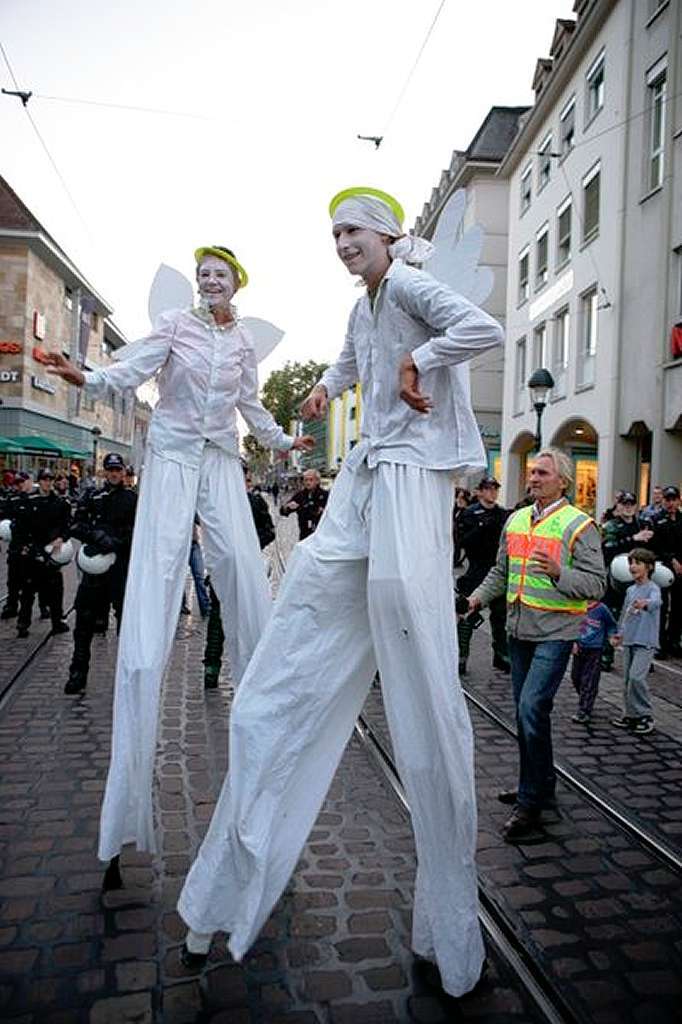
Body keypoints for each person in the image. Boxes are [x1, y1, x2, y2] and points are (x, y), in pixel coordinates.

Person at [177, 185, 503, 998]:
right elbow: (353, 358)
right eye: (333, 233)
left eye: (350, 230)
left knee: (417, 657)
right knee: (280, 671)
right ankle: (233, 874)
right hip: (365, 484)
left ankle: (450, 920)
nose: (340, 242)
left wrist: (419, 359)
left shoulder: (415, 286)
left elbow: (481, 328)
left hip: (409, 482)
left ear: (387, 234)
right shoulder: (366, 304)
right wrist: (325, 387)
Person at [45, 244, 313, 887]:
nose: (208, 283)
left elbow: (252, 410)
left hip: (220, 461)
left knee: (248, 585)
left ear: (236, 284)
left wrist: (284, 442)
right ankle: (122, 816)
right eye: (202, 277)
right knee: (150, 610)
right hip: (169, 460)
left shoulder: (245, 344)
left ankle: (269, 780)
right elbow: (130, 369)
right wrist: (84, 375)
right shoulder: (175, 328)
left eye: (218, 275)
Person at [468, 448, 606, 841]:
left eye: (542, 473)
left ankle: (530, 803)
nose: (534, 478)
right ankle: (539, 784)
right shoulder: (515, 519)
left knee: (532, 707)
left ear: (563, 480)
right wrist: (476, 598)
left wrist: (561, 573)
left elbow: (598, 584)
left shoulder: (580, 525)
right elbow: (501, 571)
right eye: (531, 472)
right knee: (525, 714)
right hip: (518, 631)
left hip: (556, 632)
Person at [65, 452, 138, 694]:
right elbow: (75, 525)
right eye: (110, 470)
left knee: (125, 624)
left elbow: (141, 533)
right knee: (83, 622)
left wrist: (117, 542)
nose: (114, 474)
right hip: (94, 569)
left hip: (119, 569)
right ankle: (78, 671)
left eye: (118, 470)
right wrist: (96, 536)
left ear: (123, 472)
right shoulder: (92, 496)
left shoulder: (132, 499)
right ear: (105, 471)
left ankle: (126, 675)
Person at [203, 467, 276, 689]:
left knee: (250, 613)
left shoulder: (255, 502)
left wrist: (250, 548)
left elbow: (269, 531)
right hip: (223, 569)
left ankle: (252, 667)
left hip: (249, 568)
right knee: (218, 616)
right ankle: (211, 667)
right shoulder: (217, 502)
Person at [456, 476, 510, 675]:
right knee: (468, 615)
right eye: (488, 489)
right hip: (477, 570)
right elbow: (462, 541)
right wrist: (481, 527)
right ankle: (461, 656)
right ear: (479, 491)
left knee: (501, 617)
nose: (492, 493)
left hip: (497, 569)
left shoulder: (502, 514)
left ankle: (501, 655)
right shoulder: (470, 514)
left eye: (495, 489)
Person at [14, 468, 71, 638]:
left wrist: (61, 538)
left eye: (50, 479)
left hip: (52, 551)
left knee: (55, 590)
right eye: (44, 479)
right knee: (28, 590)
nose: (47, 482)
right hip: (33, 550)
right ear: (40, 481)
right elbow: (20, 526)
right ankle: (23, 623)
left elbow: (67, 525)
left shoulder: (60, 503)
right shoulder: (30, 501)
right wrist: (23, 546)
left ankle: (57, 621)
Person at [600, 491, 653, 671]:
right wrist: (633, 539)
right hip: (616, 579)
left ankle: (641, 658)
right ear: (618, 506)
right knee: (613, 617)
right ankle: (606, 656)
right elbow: (608, 549)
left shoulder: (642, 525)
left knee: (640, 618)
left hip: (638, 580)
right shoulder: (610, 526)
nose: (628, 507)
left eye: (632, 504)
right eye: (625, 504)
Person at [610, 548, 661, 734]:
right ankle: (630, 714)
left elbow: (657, 602)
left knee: (636, 677)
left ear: (648, 567)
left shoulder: (653, 588)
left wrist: (646, 603)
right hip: (630, 640)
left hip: (646, 640)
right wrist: (619, 634)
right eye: (631, 563)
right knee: (627, 681)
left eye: (637, 563)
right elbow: (625, 615)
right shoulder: (631, 590)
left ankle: (645, 714)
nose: (632, 567)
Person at [569, 599, 617, 724]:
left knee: (589, 680)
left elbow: (611, 624)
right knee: (576, 677)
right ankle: (586, 698)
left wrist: (611, 637)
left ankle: (584, 710)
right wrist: (573, 641)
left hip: (595, 650)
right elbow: (570, 624)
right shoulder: (578, 605)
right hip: (579, 648)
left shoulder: (602, 609)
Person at [650, 485, 682, 658]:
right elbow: (654, 545)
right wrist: (671, 559)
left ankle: (673, 641)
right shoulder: (655, 520)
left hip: (680, 569)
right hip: (663, 567)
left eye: (673, 500)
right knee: (661, 606)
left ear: (678, 500)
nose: (670, 503)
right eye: (667, 500)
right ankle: (659, 643)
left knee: (678, 607)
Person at [1, 472, 34, 620]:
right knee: (13, 579)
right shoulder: (11, 499)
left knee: (31, 580)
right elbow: (3, 518)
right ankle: (11, 604)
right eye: (18, 482)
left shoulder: (35, 499)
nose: (20, 485)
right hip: (15, 544)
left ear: (29, 482)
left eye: (23, 482)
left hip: (32, 545)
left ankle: (39, 607)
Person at [279, 468, 328, 540]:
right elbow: (283, 511)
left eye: (311, 480)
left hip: (321, 535)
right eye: (306, 480)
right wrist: (286, 507)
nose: (308, 482)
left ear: (317, 481)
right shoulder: (300, 495)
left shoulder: (325, 495)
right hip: (304, 535)